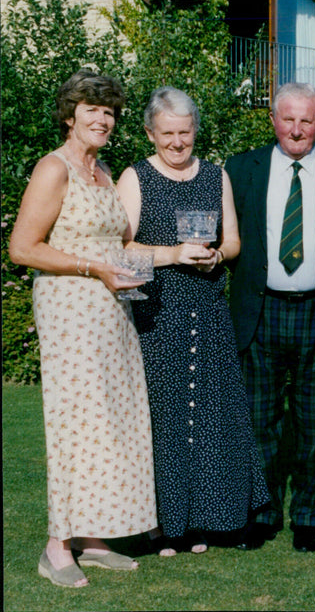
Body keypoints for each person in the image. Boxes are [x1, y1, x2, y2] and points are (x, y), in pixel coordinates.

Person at [8, 70, 157, 587]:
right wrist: (92, 268)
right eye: (91, 109)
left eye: (109, 112)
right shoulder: (56, 168)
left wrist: (169, 255)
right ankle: (57, 547)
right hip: (71, 312)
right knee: (75, 425)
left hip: (114, 313)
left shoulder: (104, 170)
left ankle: (94, 539)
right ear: (70, 115)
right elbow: (22, 248)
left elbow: (117, 243)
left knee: (109, 425)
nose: (101, 119)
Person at [116, 87, 270, 555]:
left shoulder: (215, 175)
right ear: (150, 133)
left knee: (209, 418)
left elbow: (236, 242)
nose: (178, 143)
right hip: (157, 313)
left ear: (195, 131)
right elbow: (119, 248)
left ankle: (206, 520)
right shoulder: (135, 177)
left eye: (185, 132)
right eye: (168, 134)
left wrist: (216, 255)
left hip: (207, 310)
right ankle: (163, 526)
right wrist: (172, 254)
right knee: (162, 419)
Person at [224, 82, 315, 553]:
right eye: (288, 118)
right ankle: (260, 514)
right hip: (259, 312)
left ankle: (309, 519)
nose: (297, 129)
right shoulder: (242, 167)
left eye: (307, 119)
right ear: (272, 119)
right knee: (256, 423)